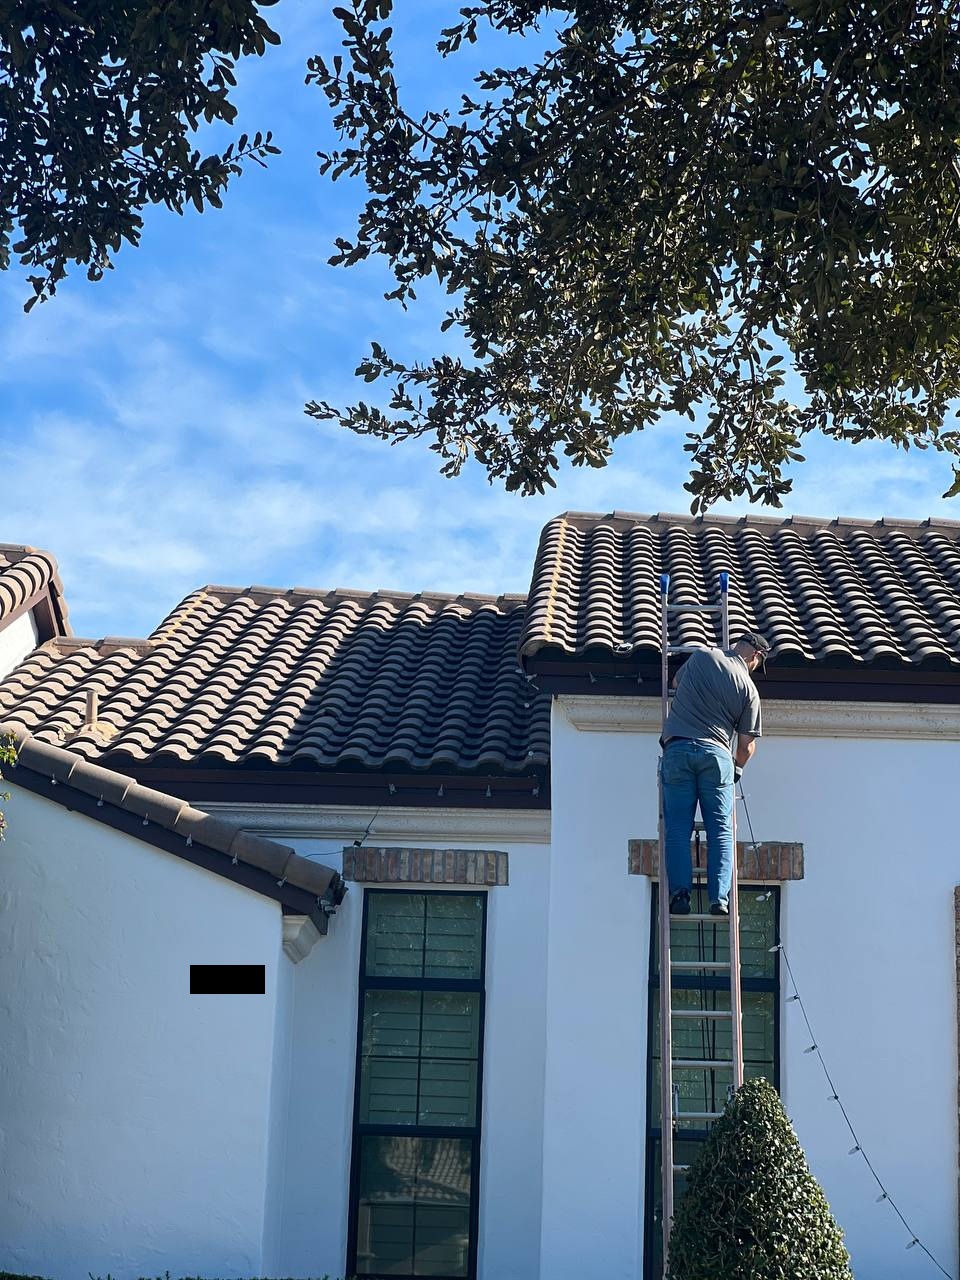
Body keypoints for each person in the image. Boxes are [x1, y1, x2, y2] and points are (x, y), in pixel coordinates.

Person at [659, 632, 771, 917]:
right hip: (717, 756)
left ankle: (680, 894)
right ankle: (719, 898)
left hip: (678, 749)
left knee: (678, 828)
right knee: (720, 831)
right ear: (755, 657)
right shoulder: (749, 689)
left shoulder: (703, 656)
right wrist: (737, 768)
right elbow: (747, 745)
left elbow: (675, 683)